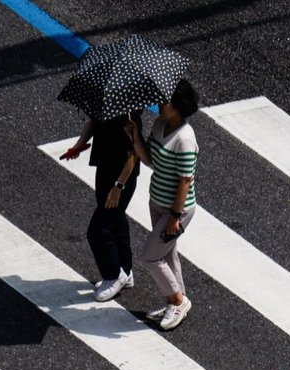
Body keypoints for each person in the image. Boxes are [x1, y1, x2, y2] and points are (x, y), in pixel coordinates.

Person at [126, 79, 199, 331]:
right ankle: (175, 301)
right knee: (167, 252)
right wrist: (135, 135)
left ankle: (178, 300)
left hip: (176, 209)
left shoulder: (185, 139)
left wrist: (175, 217)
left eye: (164, 102)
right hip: (156, 201)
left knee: (150, 256)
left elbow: (185, 181)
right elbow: (150, 161)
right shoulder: (160, 125)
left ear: (178, 106)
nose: (158, 105)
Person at [60, 112, 142, 302]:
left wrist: (118, 187)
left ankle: (114, 275)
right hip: (104, 168)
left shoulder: (130, 116)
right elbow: (93, 122)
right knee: (116, 221)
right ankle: (125, 270)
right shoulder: (109, 105)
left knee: (97, 231)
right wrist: (79, 145)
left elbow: (134, 154)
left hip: (121, 179)